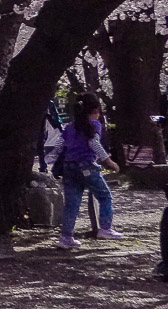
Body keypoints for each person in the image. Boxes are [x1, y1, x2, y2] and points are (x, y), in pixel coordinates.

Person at [57, 93, 121, 248]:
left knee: (71, 203)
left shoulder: (69, 127)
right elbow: (94, 144)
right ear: (92, 112)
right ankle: (105, 228)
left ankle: (66, 237)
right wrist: (108, 161)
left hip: (69, 167)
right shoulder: (93, 126)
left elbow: (59, 146)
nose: (99, 115)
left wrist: (52, 159)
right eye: (97, 112)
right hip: (87, 166)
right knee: (104, 196)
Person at [38, 98, 63, 172]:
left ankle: (43, 166)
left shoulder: (49, 103)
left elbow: (54, 115)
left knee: (42, 146)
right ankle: (43, 166)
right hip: (45, 126)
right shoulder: (48, 103)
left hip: (48, 126)